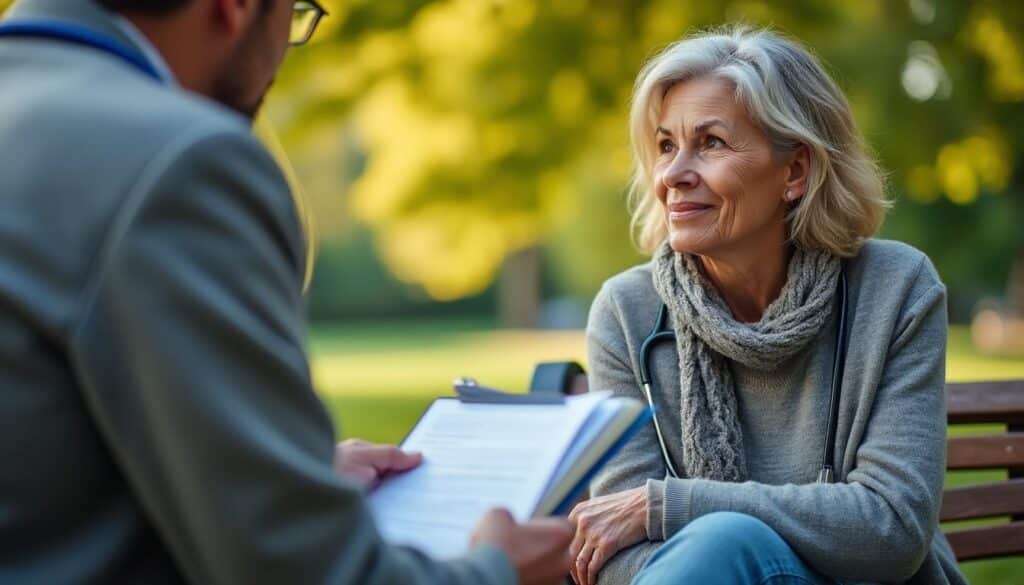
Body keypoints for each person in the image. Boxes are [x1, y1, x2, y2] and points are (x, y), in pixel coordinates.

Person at [0, 0, 573, 583]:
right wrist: (496, 570)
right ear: (235, 8)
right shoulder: (180, 158)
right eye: (296, 13)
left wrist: (287, 477)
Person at [566, 27, 967, 585]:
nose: (673, 176)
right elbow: (612, 555)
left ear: (795, 172)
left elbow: (892, 528)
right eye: (664, 145)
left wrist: (676, 509)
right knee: (723, 541)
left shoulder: (895, 288)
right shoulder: (627, 313)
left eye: (710, 143)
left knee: (725, 537)